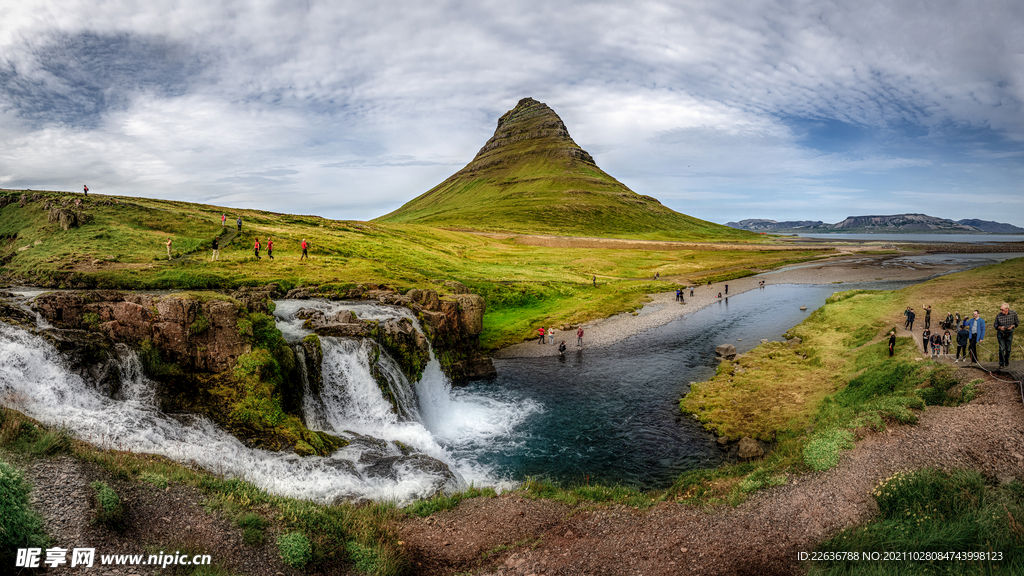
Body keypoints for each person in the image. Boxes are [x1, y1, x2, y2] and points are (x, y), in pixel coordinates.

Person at [994, 303, 1018, 368]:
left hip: (1009, 333)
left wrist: (1012, 326)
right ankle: (1001, 363)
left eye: (1002, 310)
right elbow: (995, 325)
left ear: (1007, 309)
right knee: (1001, 349)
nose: (1001, 311)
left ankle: (1006, 359)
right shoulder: (998, 315)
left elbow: (1017, 323)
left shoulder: (1013, 313)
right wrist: (1000, 327)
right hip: (1001, 334)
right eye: (1000, 309)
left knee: (1008, 349)